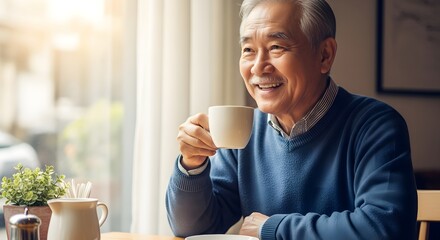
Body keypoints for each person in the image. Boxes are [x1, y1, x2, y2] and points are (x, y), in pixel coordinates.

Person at [166, 0, 418, 239]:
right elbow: (193, 227)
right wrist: (192, 165)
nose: (257, 67)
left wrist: (272, 229)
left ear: (324, 56)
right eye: (248, 50)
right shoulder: (246, 129)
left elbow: (384, 228)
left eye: (276, 47)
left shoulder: (375, 125)